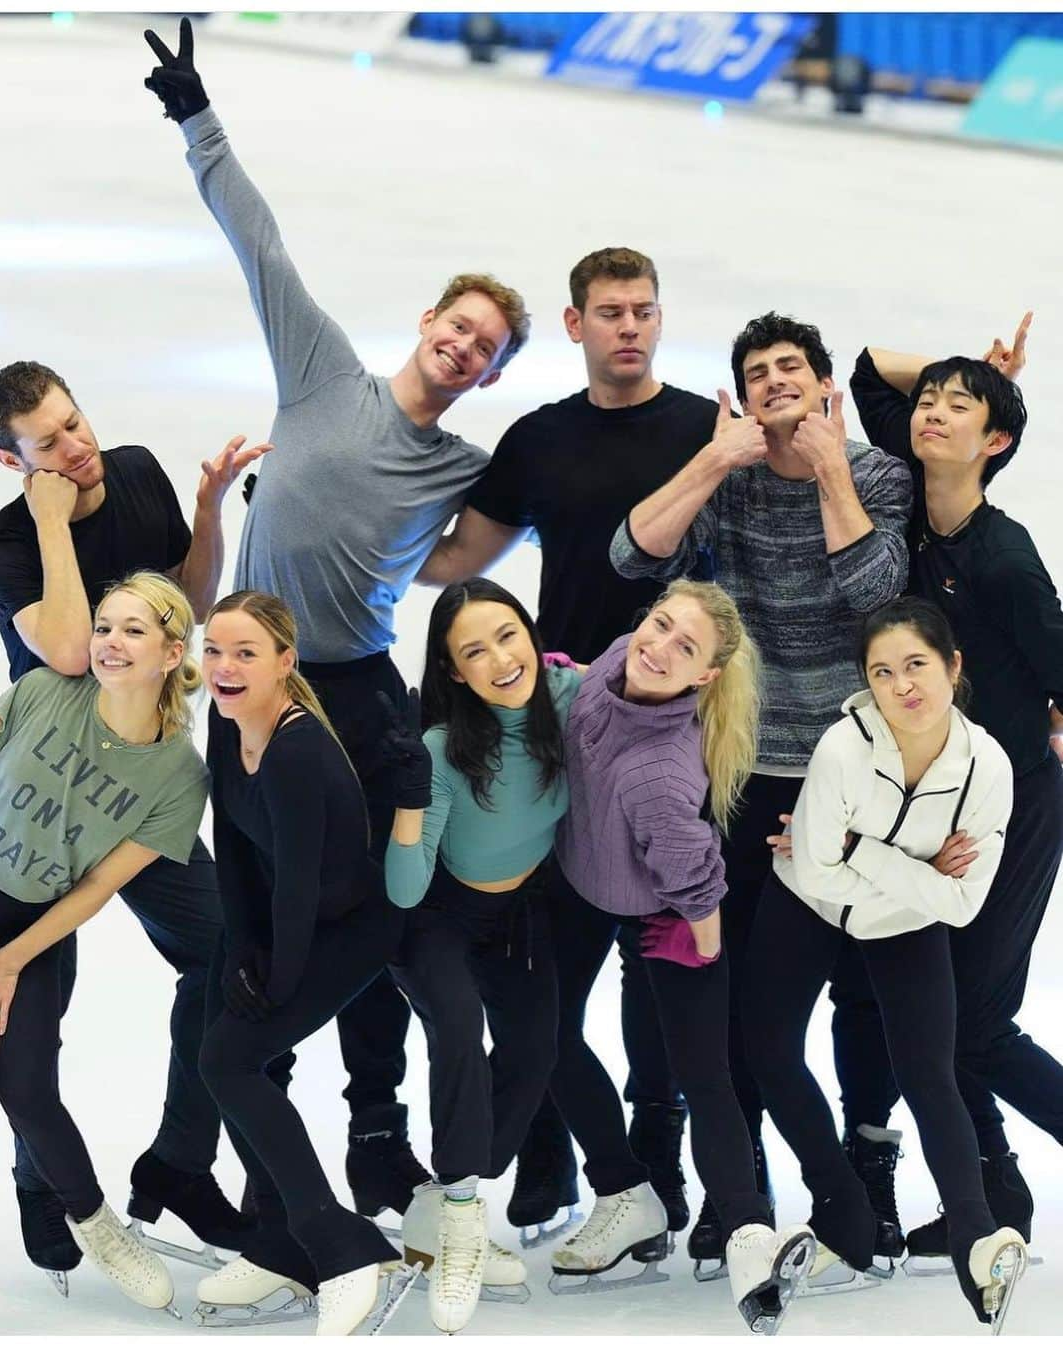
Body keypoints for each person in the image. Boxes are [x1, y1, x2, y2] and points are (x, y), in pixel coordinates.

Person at [142, 18, 531, 1216]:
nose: (464, 347)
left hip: (357, 693)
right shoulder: (321, 374)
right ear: (428, 321)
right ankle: (244, 1120)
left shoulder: (469, 469)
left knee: (359, 913)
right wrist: (198, 117)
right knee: (257, 898)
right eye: (457, 325)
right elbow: (257, 243)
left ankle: (373, 1124)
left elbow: (473, 554)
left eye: (487, 347)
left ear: (495, 373)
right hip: (247, 683)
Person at [419, 245, 723, 1239]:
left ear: (658, 318)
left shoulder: (698, 430)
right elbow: (460, 559)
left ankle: (656, 1160)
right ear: (576, 324)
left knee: (661, 968)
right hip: (566, 730)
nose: (628, 325)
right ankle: (549, 1149)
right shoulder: (540, 439)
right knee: (558, 965)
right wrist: (327, 525)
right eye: (609, 311)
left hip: (681, 730)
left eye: (642, 308)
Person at [610, 313, 912, 1272]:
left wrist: (827, 466)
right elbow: (633, 555)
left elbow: (878, 595)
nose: (775, 379)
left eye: (793, 367)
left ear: (825, 386)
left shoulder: (875, 475)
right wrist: (710, 463)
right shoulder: (728, 477)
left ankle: (868, 1176)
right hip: (737, 777)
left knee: (855, 993)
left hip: (847, 787)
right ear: (740, 396)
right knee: (728, 992)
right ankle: (736, 1191)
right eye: (757, 371)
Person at [0, 360, 264, 1278]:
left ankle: (179, 1162)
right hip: (52, 786)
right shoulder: (8, 543)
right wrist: (49, 519)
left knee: (225, 956)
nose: (80, 446)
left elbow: (189, 594)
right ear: (12, 463)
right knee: (30, 1013)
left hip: (143, 784)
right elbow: (65, 647)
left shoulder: (134, 470)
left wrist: (213, 507)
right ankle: (38, 1180)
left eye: (77, 421)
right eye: (52, 443)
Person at [843, 317, 1063, 1263]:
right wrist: (969, 365)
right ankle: (997, 1192)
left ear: (998, 445)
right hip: (941, 809)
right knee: (939, 1014)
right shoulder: (914, 508)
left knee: (972, 1019)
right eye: (928, 402)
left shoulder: (1003, 557)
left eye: (958, 407)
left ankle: (1002, 1181)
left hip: (1015, 812)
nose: (930, 411)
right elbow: (863, 369)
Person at [744, 597, 1026, 1330]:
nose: (903, 685)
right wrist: (914, 864)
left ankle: (976, 1238)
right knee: (768, 1049)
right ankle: (843, 1202)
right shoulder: (842, 747)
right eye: (882, 672)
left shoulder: (986, 766)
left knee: (929, 1072)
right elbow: (818, 872)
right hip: (805, 903)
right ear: (865, 682)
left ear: (953, 665)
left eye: (917, 665)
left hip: (907, 920)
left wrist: (860, 850)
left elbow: (963, 905)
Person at [544, 580, 814, 1334]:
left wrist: (701, 938)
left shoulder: (661, 772)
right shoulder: (624, 654)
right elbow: (585, 701)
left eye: (684, 647)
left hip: (665, 905)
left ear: (704, 676)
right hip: (581, 878)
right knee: (544, 1037)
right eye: (661, 624)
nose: (658, 647)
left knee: (705, 1075)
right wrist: (558, 674)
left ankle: (750, 1238)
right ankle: (630, 1192)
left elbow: (696, 876)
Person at [0, 572, 211, 1319]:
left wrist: (10, 959)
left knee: (28, 1091)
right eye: (105, 625)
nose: (109, 641)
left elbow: (97, 888)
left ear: (172, 651)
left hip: (35, 929)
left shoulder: (179, 772)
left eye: (132, 630)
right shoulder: (46, 686)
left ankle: (100, 1228)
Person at [193, 590, 409, 1334]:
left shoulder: (296, 747)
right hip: (292, 924)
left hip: (354, 925)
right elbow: (235, 850)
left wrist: (276, 981)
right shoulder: (227, 726)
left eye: (245, 652)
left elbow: (301, 884)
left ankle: (338, 1244)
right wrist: (240, 953)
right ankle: (286, 1241)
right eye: (215, 649)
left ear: (286, 662)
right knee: (226, 1054)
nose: (223, 667)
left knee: (229, 1058)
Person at [378, 578, 580, 1332]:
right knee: (458, 1030)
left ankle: (441, 1198)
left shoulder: (568, 697)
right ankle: (462, 1220)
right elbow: (402, 889)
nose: (499, 657)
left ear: (532, 634)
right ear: (453, 670)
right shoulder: (439, 748)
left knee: (534, 1051)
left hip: (519, 911)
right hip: (436, 917)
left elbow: (639, 676)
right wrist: (406, 800)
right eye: (473, 649)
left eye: (507, 634)